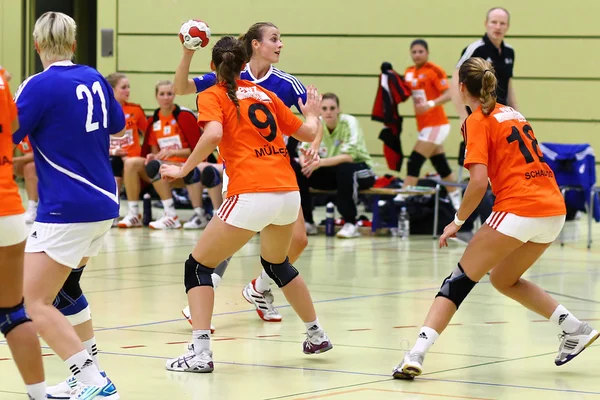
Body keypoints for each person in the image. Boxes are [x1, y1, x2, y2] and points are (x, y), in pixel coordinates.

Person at [392, 57, 599, 380]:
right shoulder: (513, 113)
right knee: (504, 279)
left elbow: (477, 183)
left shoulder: (476, 120)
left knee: (457, 282)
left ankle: (415, 354)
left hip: (520, 207)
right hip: (553, 209)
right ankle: (574, 328)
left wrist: (457, 221)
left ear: (461, 88)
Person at [162, 35, 332, 373]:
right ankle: (316, 333)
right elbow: (307, 131)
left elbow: (211, 135)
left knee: (198, 267)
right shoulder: (266, 94)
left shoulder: (212, 94)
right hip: (286, 191)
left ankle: (200, 353)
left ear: (213, 67)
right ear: (243, 65)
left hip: (250, 191)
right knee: (278, 265)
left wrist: (183, 169)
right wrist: (313, 115)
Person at [14, 11, 124, 399]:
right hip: (103, 203)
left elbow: (9, 132)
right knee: (64, 291)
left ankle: (93, 380)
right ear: (74, 44)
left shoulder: (37, 86)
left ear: (37, 45)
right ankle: (85, 374)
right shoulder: (94, 76)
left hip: (67, 208)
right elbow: (116, 124)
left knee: (31, 302)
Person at [0, 61, 47, 400]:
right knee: (13, 312)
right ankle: (38, 394)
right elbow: (13, 126)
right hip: (9, 210)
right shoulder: (1, 78)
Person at [117, 80, 205, 230]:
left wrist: (175, 152)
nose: (166, 98)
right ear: (156, 96)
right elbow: (154, 151)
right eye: (162, 94)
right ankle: (134, 213)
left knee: (158, 167)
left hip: (186, 168)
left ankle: (171, 215)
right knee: (131, 163)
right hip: (163, 170)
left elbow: (200, 150)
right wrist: (153, 156)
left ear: (174, 96)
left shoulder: (184, 116)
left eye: (169, 94)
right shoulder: (154, 120)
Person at [296, 93, 375, 238]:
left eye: (332, 108)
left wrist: (319, 163)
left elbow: (349, 157)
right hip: (331, 172)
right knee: (297, 170)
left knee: (346, 169)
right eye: (324, 108)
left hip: (360, 169)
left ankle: (351, 223)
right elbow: (304, 149)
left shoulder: (349, 122)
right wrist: (304, 163)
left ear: (338, 110)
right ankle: (307, 222)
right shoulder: (317, 124)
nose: (328, 112)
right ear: (319, 110)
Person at [403, 39, 461, 211]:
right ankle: (456, 200)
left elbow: (450, 93)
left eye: (421, 51)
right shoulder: (409, 72)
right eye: (414, 52)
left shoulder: (434, 71)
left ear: (427, 53)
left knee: (414, 161)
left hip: (437, 125)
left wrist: (430, 104)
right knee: (441, 165)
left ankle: (403, 197)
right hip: (423, 125)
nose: (417, 55)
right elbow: (402, 90)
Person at [452, 7, 517, 124]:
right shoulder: (475, 49)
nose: (498, 27)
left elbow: (509, 86)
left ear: (508, 27)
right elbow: (456, 82)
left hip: (501, 118)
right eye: (494, 22)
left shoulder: (509, 52)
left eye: (502, 23)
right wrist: (463, 117)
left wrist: (516, 115)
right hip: (478, 118)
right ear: (486, 23)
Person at [105, 72, 148, 192]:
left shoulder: (136, 110)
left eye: (128, 87)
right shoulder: (102, 111)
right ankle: (114, 206)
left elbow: (149, 136)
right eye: (123, 87)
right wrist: (113, 151)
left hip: (132, 158)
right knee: (114, 161)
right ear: (111, 89)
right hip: (111, 156)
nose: (128, 90)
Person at [13, 136, 38, 223]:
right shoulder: (17, 132)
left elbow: (36, 154)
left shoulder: (32, 129)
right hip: (39, 162)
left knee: (30, 168)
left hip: (54, 164)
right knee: (13, 167)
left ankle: (33, 207)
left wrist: (11, 160)